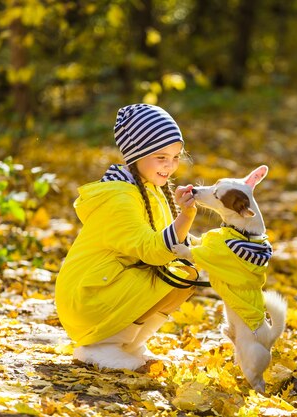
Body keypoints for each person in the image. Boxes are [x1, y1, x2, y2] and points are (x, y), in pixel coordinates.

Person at [55, 103, 199, 370]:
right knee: (180, 274)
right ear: (136, 154)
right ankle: (101, 346)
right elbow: (154, 250)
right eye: (161, 157)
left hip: (111, 283)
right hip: (88, 297)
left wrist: (213, 249)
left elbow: (172, 246)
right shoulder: (120, 197)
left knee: (187, 273)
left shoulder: (149, 189)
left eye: (176, 156)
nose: (170, 165)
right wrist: (186, 217)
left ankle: (129, 345)